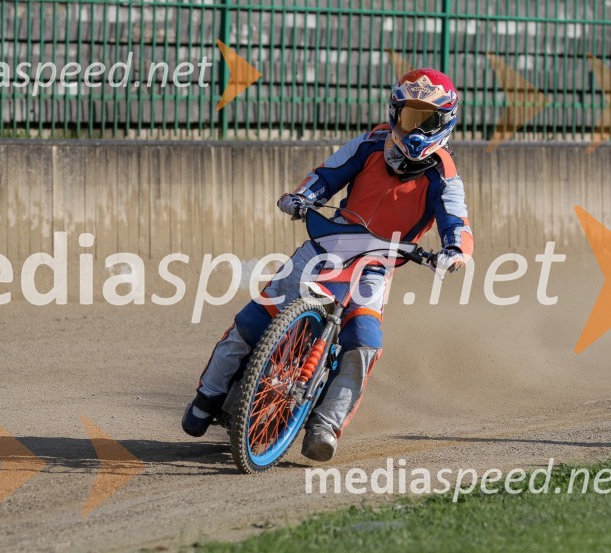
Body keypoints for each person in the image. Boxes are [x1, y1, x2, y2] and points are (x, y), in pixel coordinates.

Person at [181, 68, 474, 462]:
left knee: (364, 343)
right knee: (251, 322)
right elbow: (327, 174)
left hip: (375, 267)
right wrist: (301, 197)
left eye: (427, 120)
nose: (416, 129)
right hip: (326, 245)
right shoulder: (370, 144)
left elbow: (457, 222)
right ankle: (207, 397)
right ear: (394, 114)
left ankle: (324, 425)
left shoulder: (444, 175)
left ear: (445, 123)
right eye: (409, 117)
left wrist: (455, 250)